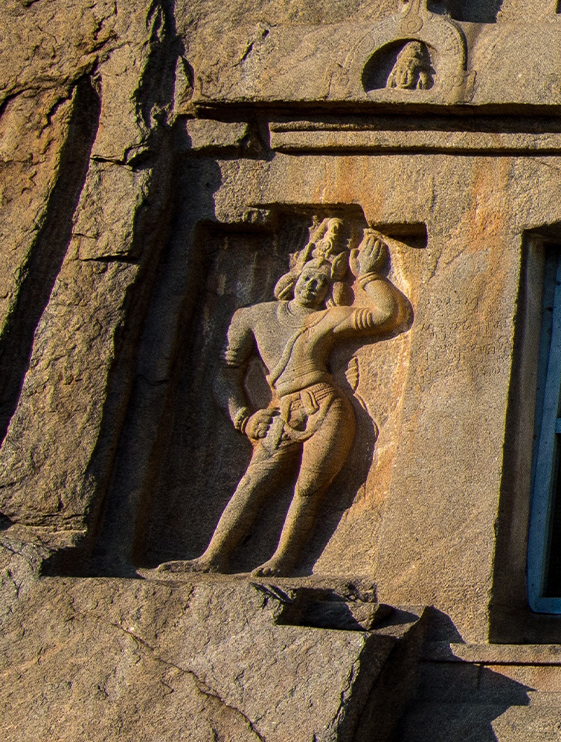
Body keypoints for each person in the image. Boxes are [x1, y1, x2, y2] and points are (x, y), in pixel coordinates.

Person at [159, 228, 412, 577]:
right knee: (253, 480)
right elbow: (226, 372)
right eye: (308, 278)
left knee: (308, 489)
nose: (312, 286)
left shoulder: (325, 319)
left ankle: (283, 561)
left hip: (326, 409)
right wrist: (244, 417)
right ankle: (213, 557)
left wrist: (367, 275)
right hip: (282, 413)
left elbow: (388, 314)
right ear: (294, 278)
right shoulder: (254, 317)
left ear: (328, 290)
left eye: (320, 283)